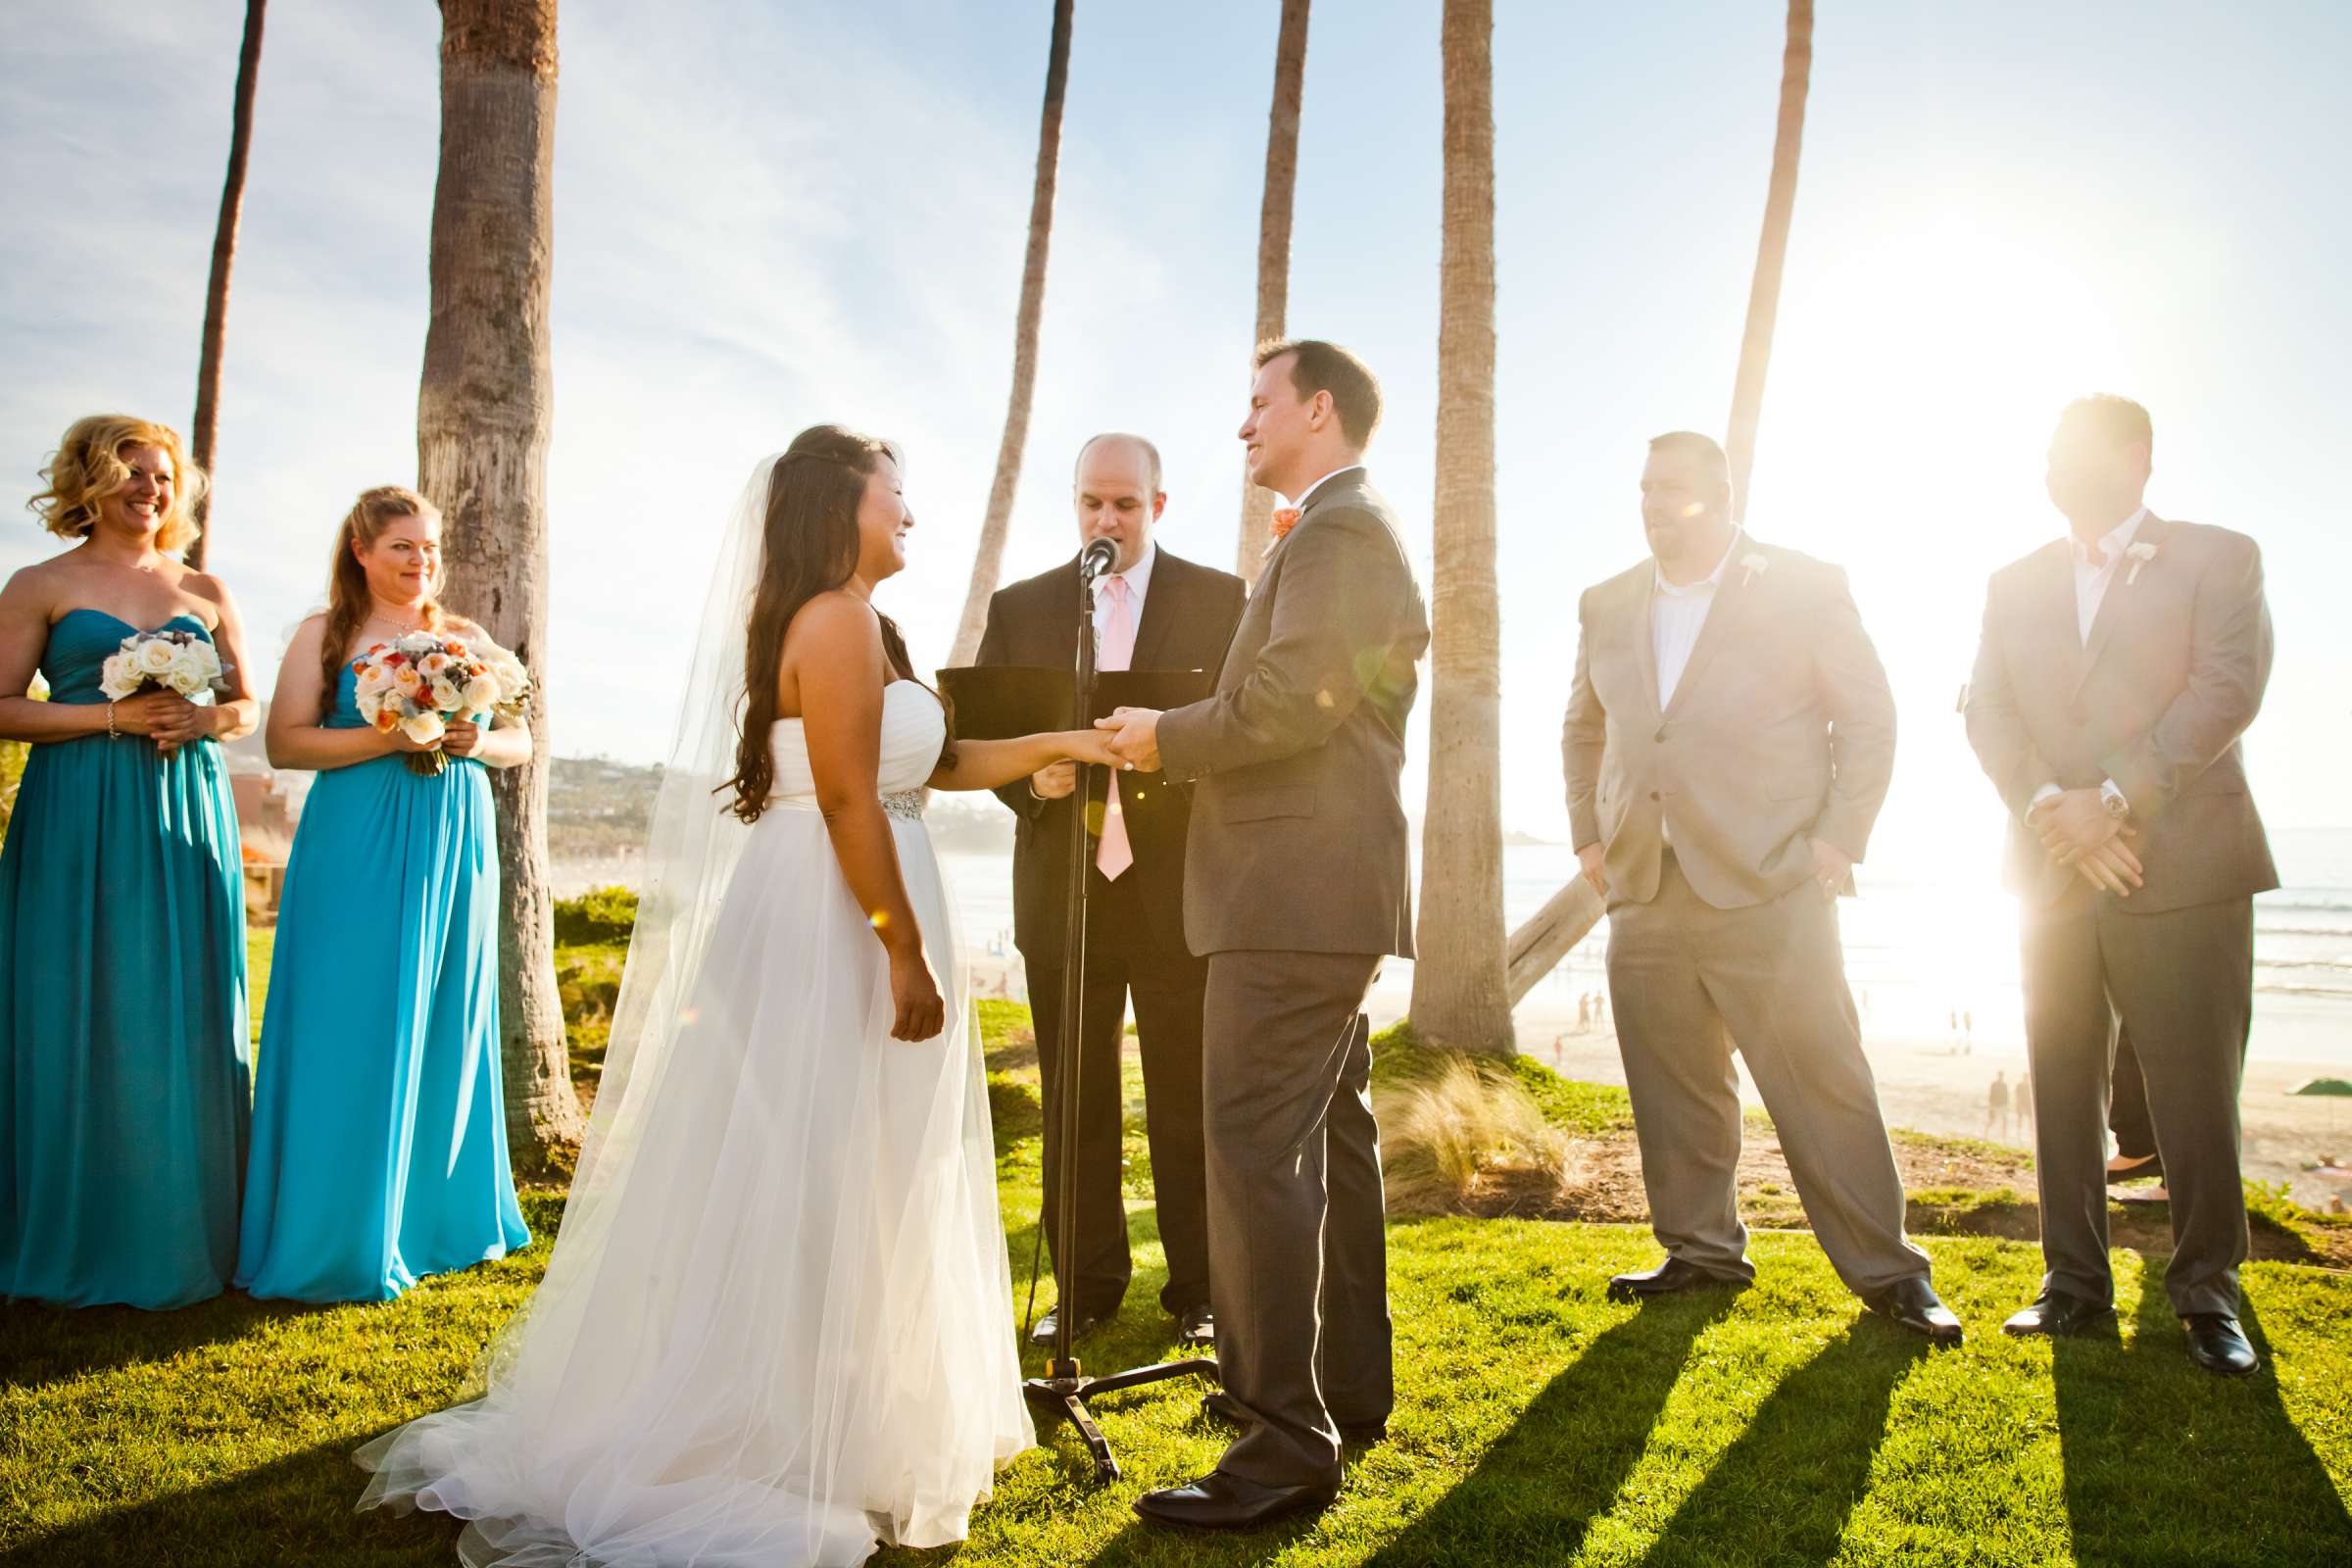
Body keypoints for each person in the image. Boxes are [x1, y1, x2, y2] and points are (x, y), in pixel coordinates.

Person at [358, 427, 1127, 1563]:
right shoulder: (835, 619)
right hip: (835, 920)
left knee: (864, 1162)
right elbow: (857, 806)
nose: (910, 513)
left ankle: (853, 1413)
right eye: (895, 495)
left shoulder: (858, 620)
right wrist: (903, 952)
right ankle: (775, 1420)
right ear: (841, 507)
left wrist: (1065, 740)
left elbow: (932, 766)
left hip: (846, 896)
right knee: (816, 1161)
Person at [1099, 339, 1428, 1530]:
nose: (1243, 424)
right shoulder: (1339, 526)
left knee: (1250, 1149)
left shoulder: (1340, 531)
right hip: (1315, 891)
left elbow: (1296, 701)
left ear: (1319, 410)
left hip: (1293, 894)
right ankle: (1343, 1387)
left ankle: (1282, 1442)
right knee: (1327, 1142)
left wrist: (1162, 735)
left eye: (1259, 403)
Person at [1561, 430, 1960, 1347]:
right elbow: (1583, 727)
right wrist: (1588, 832)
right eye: (1645, 488)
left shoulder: (1804, 584)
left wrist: (1838, 840)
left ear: (1720, 494)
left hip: (1772, 878)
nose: (1654, 504)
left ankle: (1892, 1273)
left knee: (1822, 1079)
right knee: (1673, 1085)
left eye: (1673, 490)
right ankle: (1701, 1250)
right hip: (1644, 882)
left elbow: (1868, 716)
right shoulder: (1606, 601)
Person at [1965, 394, 2277, 1377]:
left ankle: (2206, 1291)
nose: (2057, 467)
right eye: (2050, 452)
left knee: (2192, 1093)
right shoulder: (2012, 582)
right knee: (2062, 1081)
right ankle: (2072, 1285)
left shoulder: (2221, 557)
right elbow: (1989, 708)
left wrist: (2112, 798)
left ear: (2138, 456)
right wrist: (2052, 805)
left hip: (2181, 866)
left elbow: (2225, 689)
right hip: (2052, 867)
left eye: (2077, 451)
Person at [974, 432, 1246, 1350]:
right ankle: (1085, 1287)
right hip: (1062, 891)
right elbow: (987, 738)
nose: (1107, 519)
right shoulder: (1023, 606)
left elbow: (1239, 730)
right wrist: (1032, 782)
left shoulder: (1222, 600)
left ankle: (1203, 1288)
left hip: (1178, 892)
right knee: (1074, 1097)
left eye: (1126, 505)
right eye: (1092, 502)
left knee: (1185, 1096)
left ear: (1158, 507)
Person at [234, 486, 533, 1302]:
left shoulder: (463, 638)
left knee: (445, 1017)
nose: (420, 561)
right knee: (349, 1015)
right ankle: (334, 1224)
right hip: (355, 838)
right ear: (360, 550)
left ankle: (435, 1220)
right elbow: (286, 741)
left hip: (453, 836)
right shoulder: (322, 634)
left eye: (430, 548)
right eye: (403, 546)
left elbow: (522, 739)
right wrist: (390, 735)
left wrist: (477, 739)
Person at [0, 415, 257, 1309]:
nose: (151, 489)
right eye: (132, 472)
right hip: (77, 808)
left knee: (177, 1001)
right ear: (90, 479)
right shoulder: (40, 583)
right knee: (72, 995)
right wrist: (108, 719)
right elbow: (2, 706)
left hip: (183, 807)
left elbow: (245, 707)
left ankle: (184, 1222)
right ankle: (76, 1223)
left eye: (163, 475)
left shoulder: (203, 585)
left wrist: (201, 719)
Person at [1987, 1071, 2012, 1140]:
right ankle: (1987, 1131)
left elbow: (2006, 1095)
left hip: (2003, 1105)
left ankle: (2004, 1134)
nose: (2001, 1077)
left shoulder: (2004, 1085)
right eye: (2000, 1075)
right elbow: (1991, 1094)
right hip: (1995, 1105)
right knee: (1993, 1119)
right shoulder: (1994, 1084)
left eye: (2001, 1075)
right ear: (1998, 1076)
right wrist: (1991, 1105)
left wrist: (2007, 1105)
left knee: (2004, 1120)